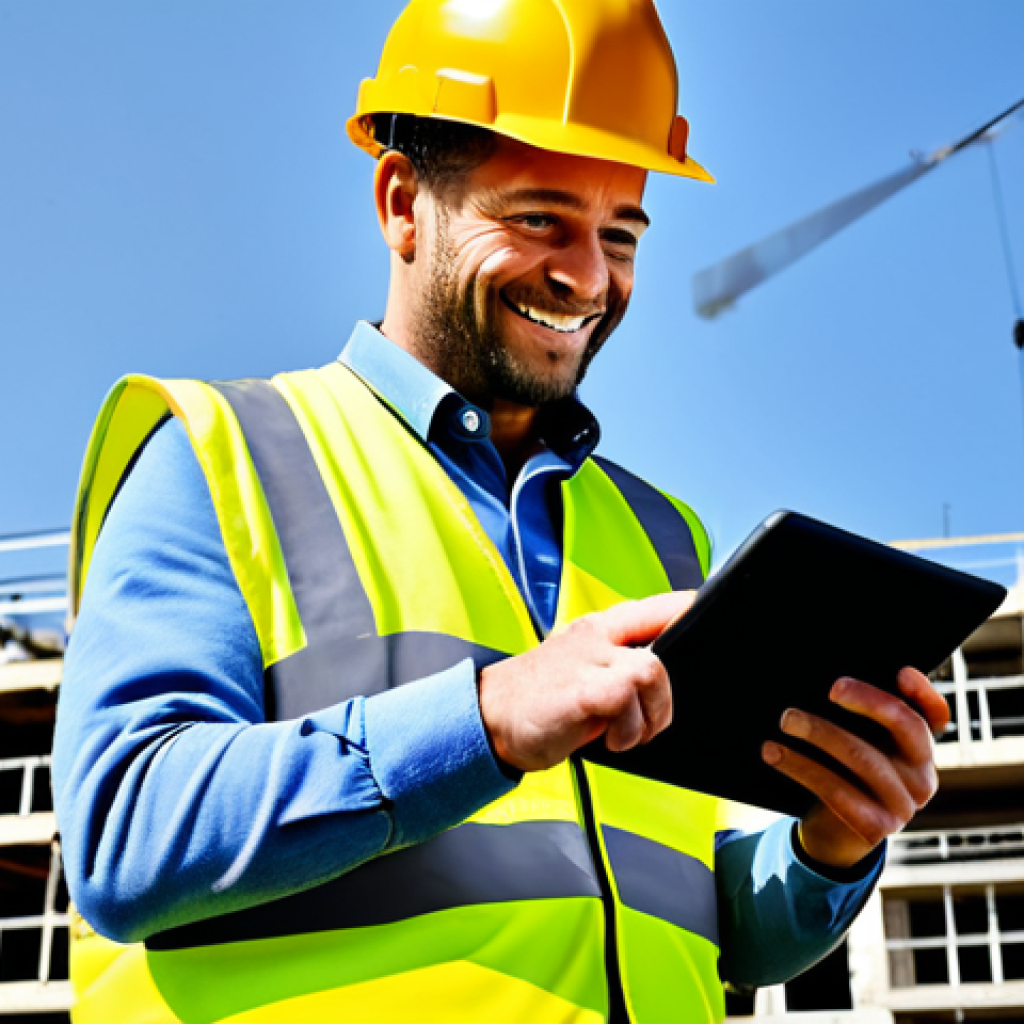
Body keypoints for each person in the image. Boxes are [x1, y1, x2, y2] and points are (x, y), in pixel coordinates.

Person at [53, 1, 949, 1021]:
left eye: (620, 234)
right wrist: (485, 718)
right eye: (537, 220)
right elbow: (124, 840)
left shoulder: (664, 537)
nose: (585, 276)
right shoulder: (224, 457)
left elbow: (686, 928)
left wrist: (826, 845)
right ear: (401, 202)